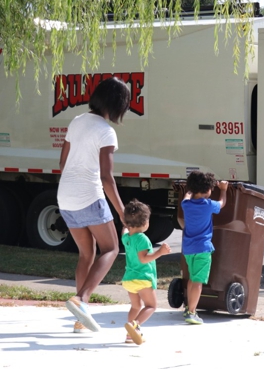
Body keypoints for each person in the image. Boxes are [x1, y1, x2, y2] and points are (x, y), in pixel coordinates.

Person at [57, 76, 130, 333]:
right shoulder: (106, 131)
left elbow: (62, 162)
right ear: (118, 104)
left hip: (65, 196)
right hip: (89, 195)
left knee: (86, 254)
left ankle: (80, 318)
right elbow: (106, 177)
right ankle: (82, 300)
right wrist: (122, 213)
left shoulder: (77, 121)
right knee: (111, 249)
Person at [121, 199, 171, 344]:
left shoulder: (127, 238)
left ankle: (130, 335)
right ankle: (134, 325)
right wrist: (160, 252)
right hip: (142, 278)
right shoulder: (142, 239)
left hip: (129, 279)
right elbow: (144, 259)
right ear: (145, 223)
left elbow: (124, 230)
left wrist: (126, 225)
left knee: (136, 306)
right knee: (151, 306)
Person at [181, 171, 228, 324]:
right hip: (203, 248)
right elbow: (222, 203)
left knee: (191, 279)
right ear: (207, 190)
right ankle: (192, 312)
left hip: (188, 249)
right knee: (198, 282)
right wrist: (223, 190)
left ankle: (189, 308)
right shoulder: (208, 205)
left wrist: (189, 191)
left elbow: (186, 197)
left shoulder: (186, 205)